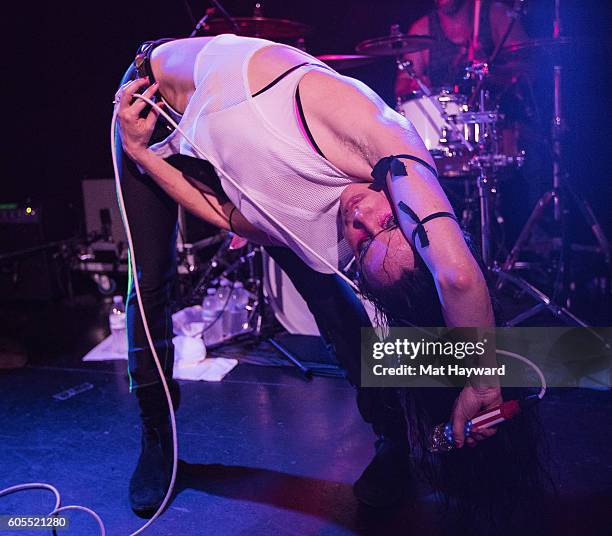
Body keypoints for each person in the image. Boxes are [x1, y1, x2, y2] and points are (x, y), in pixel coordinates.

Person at [115, 33, 500, 517]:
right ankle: (157, 435)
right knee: (150, 279)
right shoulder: (377, 135)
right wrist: (484, 381)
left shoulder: (324, 224)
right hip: (151, 103)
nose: (360, 218)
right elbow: (458, 276)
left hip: (192, 151)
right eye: (386, 223)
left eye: (362, 242)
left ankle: (393, 437)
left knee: (329, 293)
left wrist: (146, 159)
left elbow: (226, 215)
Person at [395, 0, 528, 98]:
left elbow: (526, 67)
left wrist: (489, 69)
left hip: (496, 118)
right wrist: (414, 85)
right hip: (443, 126)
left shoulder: (497, 15)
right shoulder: (421, 30)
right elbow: (402, 85)